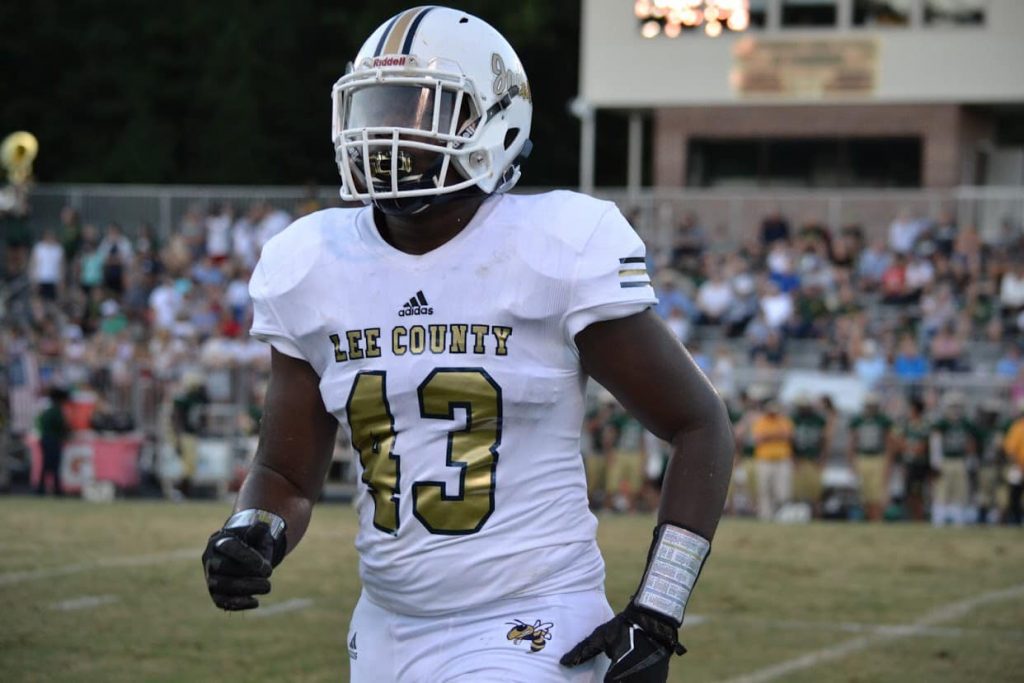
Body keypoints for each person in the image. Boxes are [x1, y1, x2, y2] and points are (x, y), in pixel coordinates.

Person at [200, 8, 733, 682]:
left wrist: (658, 607)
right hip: (385, 624)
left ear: (493, 122)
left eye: (422, 111)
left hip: (532, 617)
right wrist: (254, 528)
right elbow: (285, 473)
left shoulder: (555, 247)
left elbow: (699, 422)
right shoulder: (312, 262)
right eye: (376, 109)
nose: (386, 134)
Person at [929, 392, 979, 526]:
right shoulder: (942, 423)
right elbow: (936, 442)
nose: (956, 410)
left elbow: (970, 442)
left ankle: (958, 520)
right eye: (953, 406)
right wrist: (936, 460)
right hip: (946, 460)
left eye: (958, 407)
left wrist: (970, 458)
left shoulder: (966, 423)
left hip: (960, 460)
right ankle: (938, 520)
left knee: (960, 490)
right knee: (941, 489)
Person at [848, 393, 894, 521]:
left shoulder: (883, 420)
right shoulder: (858, 420)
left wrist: (888, 463)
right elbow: (852, 442)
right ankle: (869, 519)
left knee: (877, 493)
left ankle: (877, 519)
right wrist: (851, 462)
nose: (870, 409)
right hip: (862, 457)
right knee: (864, 493)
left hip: (878, 457)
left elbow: (889, 443)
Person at [751, 399, 795, 521]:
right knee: (764, 489)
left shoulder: (784, 421)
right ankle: (765, 516)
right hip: (765, 460)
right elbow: (759, 439)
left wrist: (769, 436)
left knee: (782, 491)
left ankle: (780, 515)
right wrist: (776, 435)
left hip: (782, 460)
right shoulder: (761, 422)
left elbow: (788, 436)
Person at [36, 387, 71, 495]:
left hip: (45, 439)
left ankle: (41, 488)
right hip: (53, 440)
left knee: (46, 465)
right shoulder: (57, 411)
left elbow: (40, 423)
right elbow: (62, 426)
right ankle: (56, 489)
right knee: (54, 466)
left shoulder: (47, 410)